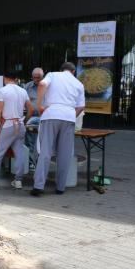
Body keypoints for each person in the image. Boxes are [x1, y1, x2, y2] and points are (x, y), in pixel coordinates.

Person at [31, 62, 85, 196]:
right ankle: (60, 187)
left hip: (51, 114)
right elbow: (81, 107)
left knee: (45, 151)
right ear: (72, 71)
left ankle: (38, 187)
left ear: (62, 70)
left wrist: (39, 105)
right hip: (68, 117)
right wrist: (72, 115)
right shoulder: (78, 83)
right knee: (65, 154)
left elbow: (42, 84)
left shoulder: (53, 75)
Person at [0, 71, 34, 189]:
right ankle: (18, 181)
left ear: (5, 78)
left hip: (7, 125)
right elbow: (31, 110)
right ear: (15, 79)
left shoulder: (3, 91)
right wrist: (24, 121)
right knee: (19, 154)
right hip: (20, 125)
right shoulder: (23, 91)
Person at [23, 67, 44, 164]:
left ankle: (40, 162)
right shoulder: (27, 86)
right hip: (31, 115)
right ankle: (30, 161)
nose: (36, 80)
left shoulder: (46, 86)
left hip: (43, 116)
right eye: (34, 77)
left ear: (42, 77)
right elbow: (23, 100)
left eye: (38, 78)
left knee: (41, 142)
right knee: (29, 140)